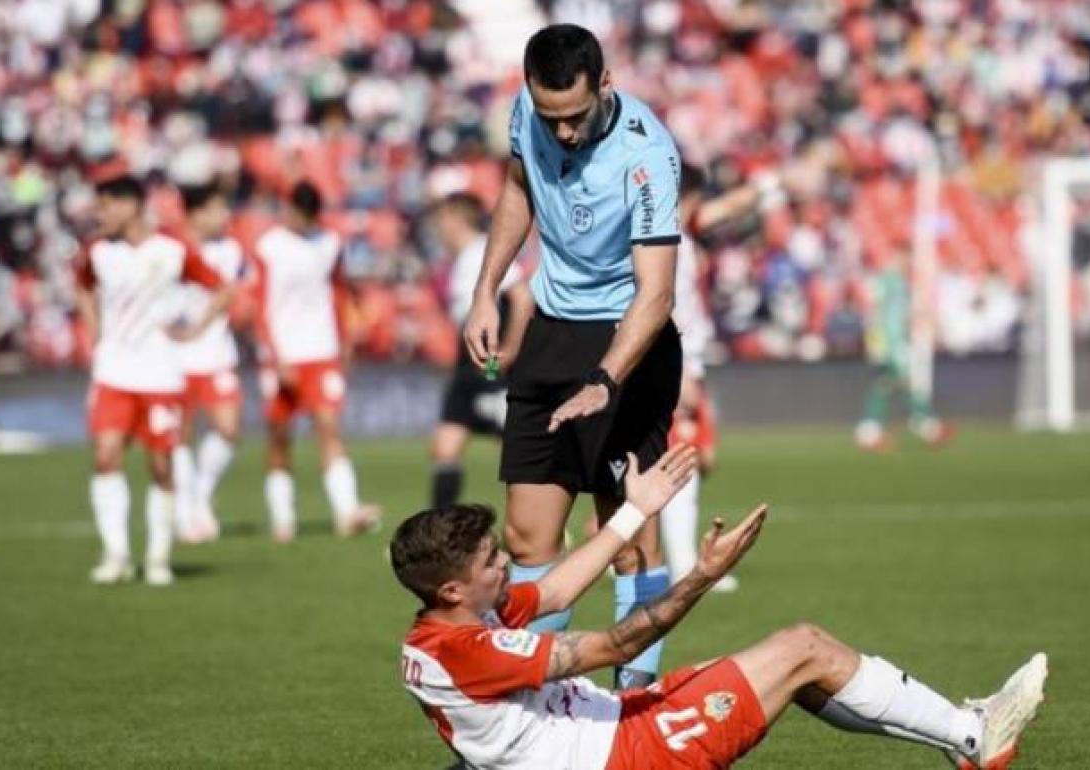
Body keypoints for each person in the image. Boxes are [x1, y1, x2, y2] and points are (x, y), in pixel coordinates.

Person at [391, 448, 1048, 770]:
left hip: (615, 724)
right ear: (452, 589)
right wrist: (703, 574)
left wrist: (635, 510)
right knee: (804, 647)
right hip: (624, 755)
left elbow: (557, 591)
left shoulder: (445, 629)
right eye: (489, 562)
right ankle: (973, 737)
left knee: (799, 668)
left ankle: (961, 739)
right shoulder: (469, 650)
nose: (505, 564)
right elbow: (613, 649)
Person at [463, 23, 685, 689]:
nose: (560, 133)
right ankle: (530, 703)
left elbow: (658, 294)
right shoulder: (526, 111)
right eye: (548, 116)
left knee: (630, 539)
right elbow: (516, 192)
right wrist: (484, 292)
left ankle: (633, 712)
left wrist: (605, 380)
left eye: (575, 117)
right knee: (528, 539)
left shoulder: (647, 156)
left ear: (606, 84)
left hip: (626, 345)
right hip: (551, 335)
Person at [75, 174, 234, 586]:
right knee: (106, 455)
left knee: (161, 465)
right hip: (112, 371)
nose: (101, 214)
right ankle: (116, 554)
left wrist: (194, 331)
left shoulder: (173, 250)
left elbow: (221, 288)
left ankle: (158, 556)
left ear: (130, 205)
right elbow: (82, 288)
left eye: (106, 205)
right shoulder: (97, 252)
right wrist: (94, 332)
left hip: (161, 374)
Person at [252, 180, 380, 541]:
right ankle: (282, 517)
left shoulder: (329, 244)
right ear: (287, 208)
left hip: (321, 351)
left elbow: (338, 293)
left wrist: (345, 342)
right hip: (282, 354)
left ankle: (346, 511)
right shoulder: (269, 247)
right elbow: (260, 307)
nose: (303, 222)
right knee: (279, 436)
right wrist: (276, 358)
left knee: (328, 426)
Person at [427, 192, 534, 509]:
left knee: (516, 453)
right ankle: (439, 533)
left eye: (441, 220)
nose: (437, 229)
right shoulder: (460, 260)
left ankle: (538, 524)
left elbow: (522, 297)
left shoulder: (483, 252)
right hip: (467, 367)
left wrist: (511, 349)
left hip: (491, 366)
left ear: (456, 220)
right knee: (445, 447)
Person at [658, 165, 733, 592]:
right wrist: (680, 369)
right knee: (681, 459)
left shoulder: (674, 240)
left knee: (692, 458)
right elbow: (668, 309)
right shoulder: (674, 245)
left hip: (687, 362)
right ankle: (684, 564)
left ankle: (613, 539)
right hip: (678, 364)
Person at [171, 182, 245, 544]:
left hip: (216, 353)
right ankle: (185, 512)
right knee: (179, 435)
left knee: (229, 429)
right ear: (195, 213)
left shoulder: (229, 250)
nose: (225, 217)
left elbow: (226, 293)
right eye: (217, 209)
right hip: (176, 357)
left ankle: (200, 495)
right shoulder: (169, 250)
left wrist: (199, 327)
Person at [854, 258, 954, 452]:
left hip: (888, 341)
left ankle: (871, 432)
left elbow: (889, 314)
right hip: (888, 343)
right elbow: (878, 314)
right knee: (898, 382)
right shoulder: (890, 283)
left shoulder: (895, 284)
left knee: (884, 384)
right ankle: (926, 425)